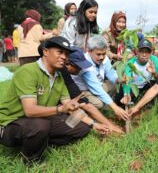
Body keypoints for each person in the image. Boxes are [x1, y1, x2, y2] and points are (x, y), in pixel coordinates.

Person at [0, 36, 110, 164]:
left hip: (35, 119)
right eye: (60, 52)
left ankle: (39, 140)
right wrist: (60, 109)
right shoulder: (28, 71)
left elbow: (70, 106)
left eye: (66, 54)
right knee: (41, 126)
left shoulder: (58, 77)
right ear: (46, 52)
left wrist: (93, 124)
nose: (64, 57)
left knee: (82, 128)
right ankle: (31, 161)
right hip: (10, 123)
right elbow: (29, 110)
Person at [70, 36, 129, 121]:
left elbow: (110, 72)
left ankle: (105, 106)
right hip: (83, 91)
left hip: (97, 85)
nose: (101, 57)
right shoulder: (85, 64)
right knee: (99, 103)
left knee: (114, 84)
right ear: (89, 51)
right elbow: (96, 88)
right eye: (98, 54)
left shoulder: (104, 59)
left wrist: (118, 79)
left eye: (104, 54)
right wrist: (115, 108)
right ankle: (87, 114)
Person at [115, 39, 158, 107]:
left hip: (145, 87)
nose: (144, 54)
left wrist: (154, 73)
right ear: (137, 51)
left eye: (147, 52)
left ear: (151, 52)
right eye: (141, 51)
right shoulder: (130, 63)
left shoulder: (154, 60)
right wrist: (127, 94)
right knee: (120, 97)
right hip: (133, 87)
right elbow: (127, 80)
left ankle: (149, 104)